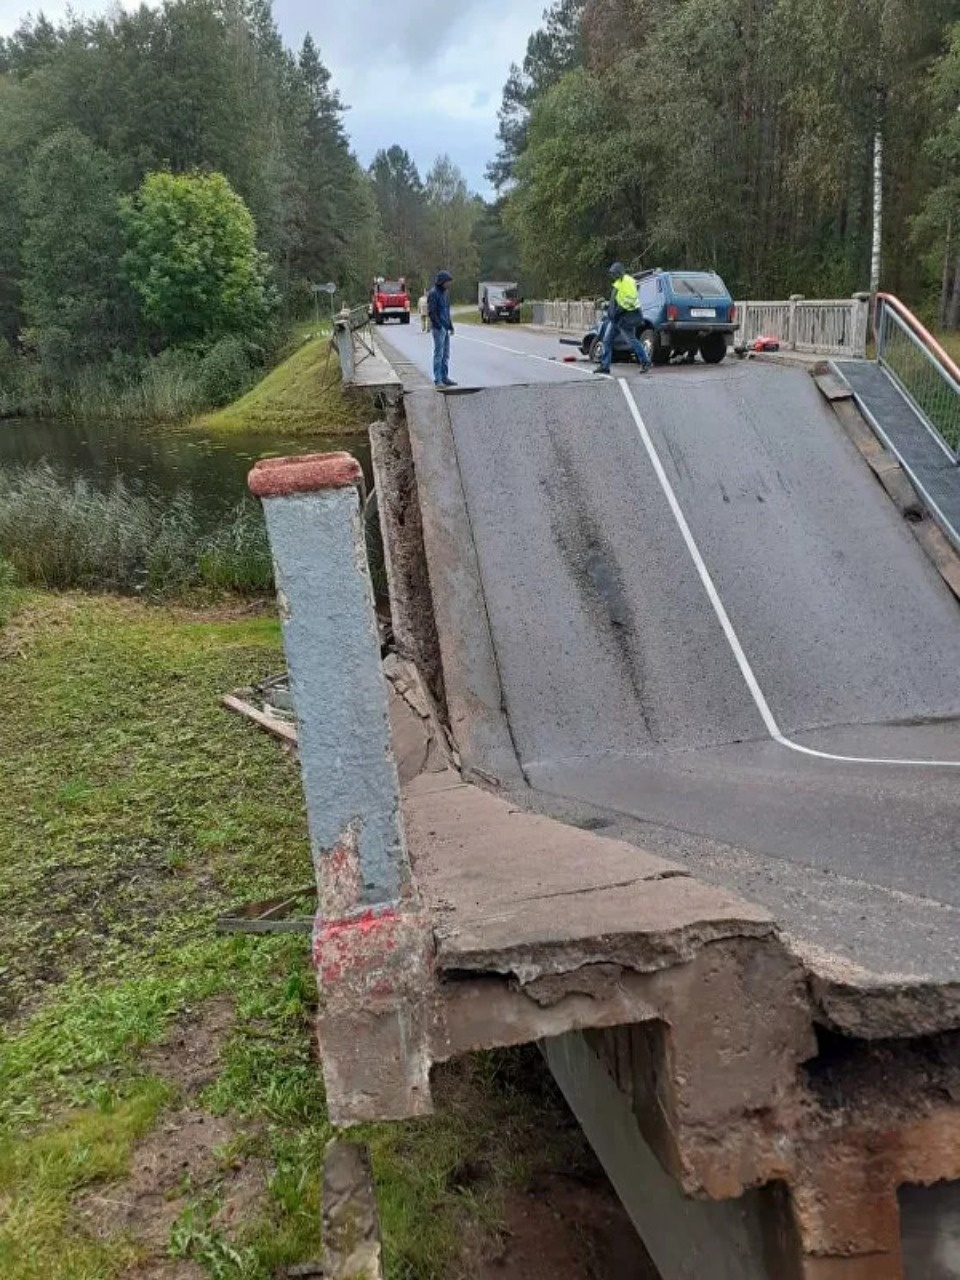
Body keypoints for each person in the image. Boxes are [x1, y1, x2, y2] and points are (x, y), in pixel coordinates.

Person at [594, 261, 651, 376]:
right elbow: (617, 298)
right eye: (612, 274)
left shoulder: (628, 281)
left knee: (632, 341)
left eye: (614, 273)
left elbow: (630, 298)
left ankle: (645, 362)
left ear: (619, 272)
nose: (613, 276)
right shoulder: (619, 281)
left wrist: (619, 309)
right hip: (616, 318)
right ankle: (605, 366)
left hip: (626, 317)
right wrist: (610, 307)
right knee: (607, 340)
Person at [427, 269, 457, 388]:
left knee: (446, 354)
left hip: (445, 326)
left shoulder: (446, 293)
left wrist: (450, 326)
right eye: (447, 281)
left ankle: (445, 377)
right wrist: (439, 325)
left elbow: (447, 311)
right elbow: (432, 312)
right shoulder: (433, 293)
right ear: (442, 281)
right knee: (439, 354)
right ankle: (438, 379)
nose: (449, 284)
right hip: (438, 328)